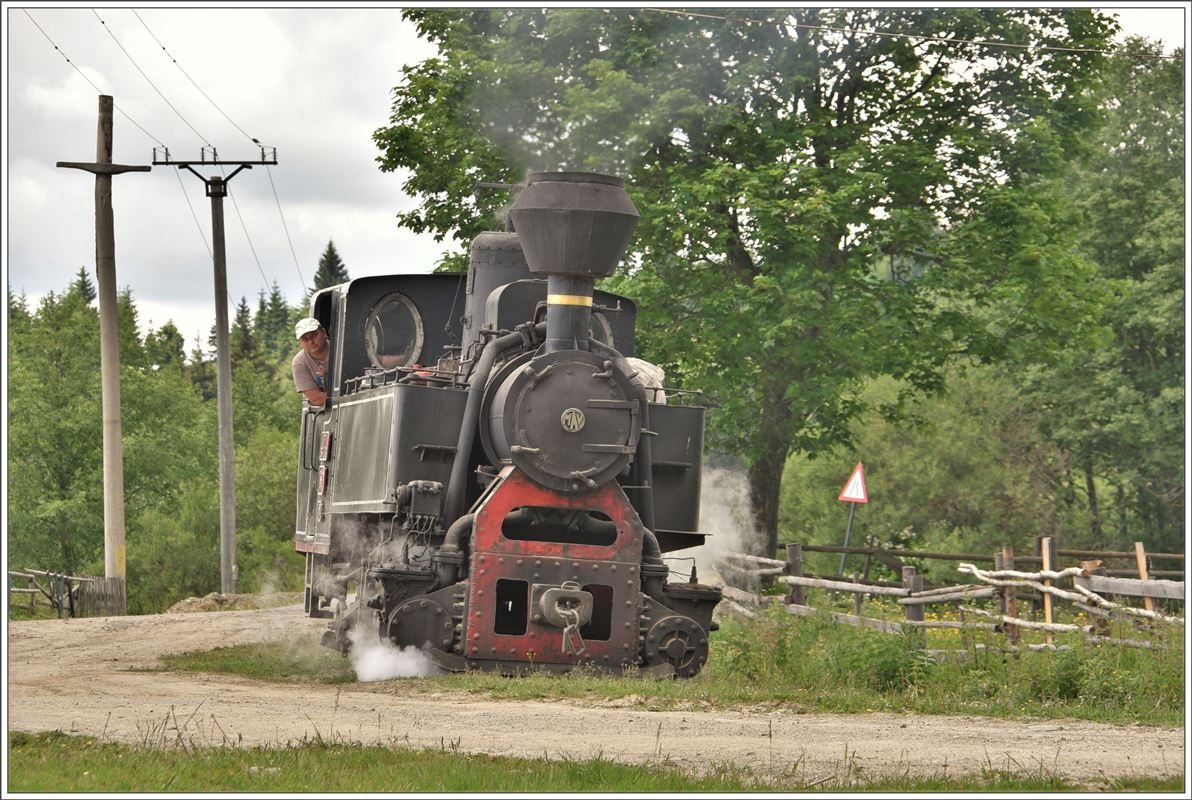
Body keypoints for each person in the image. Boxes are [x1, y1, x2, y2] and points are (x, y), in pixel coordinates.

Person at [292, 317, 330, 406]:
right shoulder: (299, 363)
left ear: (324, 332)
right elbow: (317, 399)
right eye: (305, 339)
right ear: (301, 343)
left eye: (314, 335)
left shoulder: (341, 349)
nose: (311, 342)